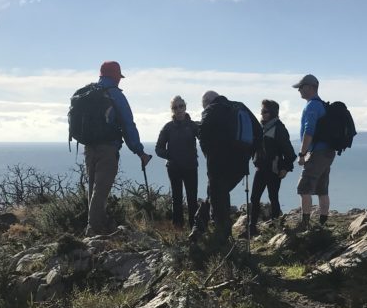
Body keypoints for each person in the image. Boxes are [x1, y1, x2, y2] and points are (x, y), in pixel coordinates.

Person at [84, 61, 151, 235]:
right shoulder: (114, 94)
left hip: (89, 147)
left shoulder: (89, 92)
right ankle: (95, 230)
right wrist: (139, 151)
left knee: (93, 187)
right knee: (102, 189)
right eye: (119, 77)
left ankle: (94, 225)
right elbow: (128, 125)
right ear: (115, 76)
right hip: (108, 149)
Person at [193, 90, 261, 241]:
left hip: (218, 165)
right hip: (240, 167)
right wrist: (249, 154)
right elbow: (258, 131)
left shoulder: (211, 110)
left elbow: (203, 135)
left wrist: (208, 156)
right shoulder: (240, 107)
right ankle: (199, 227)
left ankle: (223, 239)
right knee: (218, 194)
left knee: (218, 199)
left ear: (206, 102)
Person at [293, 74, 334, 231]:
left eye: (301, 88)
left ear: (310, 87)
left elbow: (308, 132)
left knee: (304, 188)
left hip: (317, 152)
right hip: (328, 152)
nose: (299, 91)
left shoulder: (311, 106)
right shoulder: (322, 105)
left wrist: (302, 154)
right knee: (322, 189)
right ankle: (322, 224)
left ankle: (305, 225)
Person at [250, 99, 296, 235]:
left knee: (273, 197)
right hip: (260, 168)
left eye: (265, 111)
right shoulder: (260, 128)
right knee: (254, 198)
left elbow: (289, 152)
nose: (262, 114)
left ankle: (276, 226)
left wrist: (285, 168)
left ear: (273, 113)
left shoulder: (279, 129)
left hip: (273, 169)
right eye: (261, 111)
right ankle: (252, 228)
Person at [155, 95, 199, 229]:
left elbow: (206, 140)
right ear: (172, 110)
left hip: (190, 166)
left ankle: (194, 227)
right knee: (177, 198)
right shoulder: (168, 127)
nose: (178, 110)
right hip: (174, 168)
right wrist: (172, 156)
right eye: (175, 107)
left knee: (192, 198)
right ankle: (178, 228)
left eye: (181, 106)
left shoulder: (193, 126)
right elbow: (158, 149)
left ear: (185, 107)